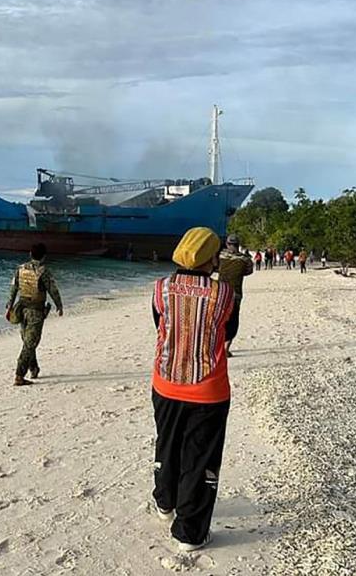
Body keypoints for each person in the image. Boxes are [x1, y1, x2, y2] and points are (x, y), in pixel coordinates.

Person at [150, 227, 234, 552]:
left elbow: (159, 327)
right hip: (208, 388)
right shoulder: (224, 293)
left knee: (167, 445)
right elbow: (231, 330)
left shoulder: (160, 288)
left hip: (166, 381)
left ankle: (164, 503)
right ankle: (189, 532)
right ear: (209, 257)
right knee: (199, 458)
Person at [5, 243, 63, 386]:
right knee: (30, 343)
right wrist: (59, 305)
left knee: (28, 341)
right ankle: (19, 375)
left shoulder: (20, 269)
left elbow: (14, 288)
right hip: (36, 312)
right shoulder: (44, 272)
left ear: (30, 254)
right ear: (44, 256)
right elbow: (53, 290)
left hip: (21, 310)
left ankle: (34, 368)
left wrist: (9, 306)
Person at [216, 234, 253, 357]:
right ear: (238, 245)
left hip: (220, 292)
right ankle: (226, 349)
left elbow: (214, 267)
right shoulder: (244, 259)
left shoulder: (220, 256)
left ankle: (218, 347)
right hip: (235, 293)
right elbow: (249, 271)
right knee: (232, 321)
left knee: (218, 320)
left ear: (227, 244)